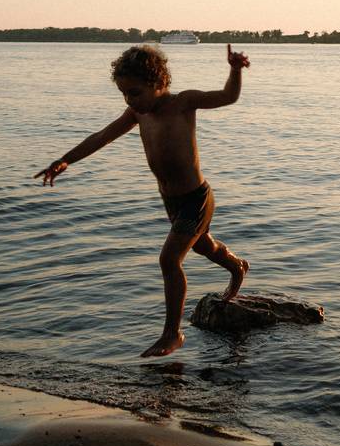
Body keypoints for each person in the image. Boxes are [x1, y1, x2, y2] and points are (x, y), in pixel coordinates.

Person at [35, 43, 250, 357]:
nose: (129, 100)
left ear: (158, 83)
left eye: (134, 92)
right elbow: (102, 136)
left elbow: (228, 96)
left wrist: (235, 70)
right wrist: (65, 160)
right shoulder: (137, 113)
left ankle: (172, 334)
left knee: (169, 260)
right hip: (171, 200)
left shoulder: (183, 103)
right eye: (124, 93)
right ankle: (237, 266)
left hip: (196, 198)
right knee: (204, 246)